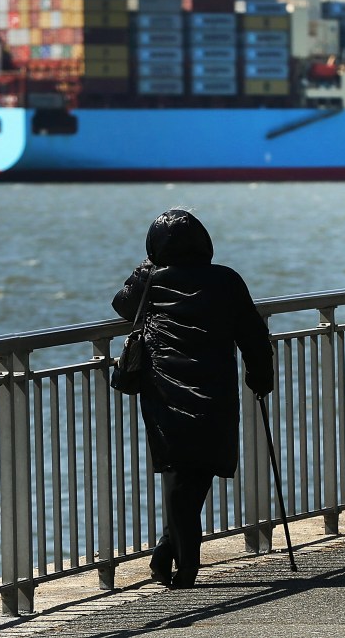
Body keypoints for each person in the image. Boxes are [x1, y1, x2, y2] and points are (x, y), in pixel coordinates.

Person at [111, 208, 274, 588]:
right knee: (195, 474)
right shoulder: (226, 280)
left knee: (180, 472)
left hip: (164, 388)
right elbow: (252, 335)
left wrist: (144, 267)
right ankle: (177, 560)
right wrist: (260, 377)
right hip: (213, 389)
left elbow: (122, 306)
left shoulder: (151, 278)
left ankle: (177, 560)